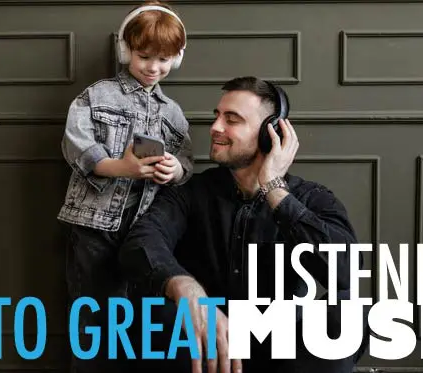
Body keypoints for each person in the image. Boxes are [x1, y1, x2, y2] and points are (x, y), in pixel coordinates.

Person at [118, 77, 370, 373]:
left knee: (347, 311)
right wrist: (183, 286)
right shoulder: (191, 192)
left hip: (283, 352)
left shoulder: (311, 198)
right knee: (155, 313)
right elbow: (141, 241)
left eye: (232, 120)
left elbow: (346, 271)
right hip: (206, 346)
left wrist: (274, 190)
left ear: (270, 134)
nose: (215, 127)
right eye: (217, 116)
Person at [56, 1, 194, 372]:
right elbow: (77, 145)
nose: (153, 68)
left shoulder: (173, 113)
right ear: (125, 50)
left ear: (176, 59)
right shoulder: (97, 95)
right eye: (144, 56)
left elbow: (187, 161)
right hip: (93, 226)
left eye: (164, 60)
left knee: (136, 322)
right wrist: (122, 167)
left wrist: (173, 171)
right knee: (92, 321)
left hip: (143, 232)